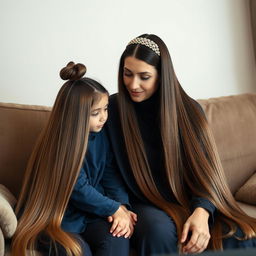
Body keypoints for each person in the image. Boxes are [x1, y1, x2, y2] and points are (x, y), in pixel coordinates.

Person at [106, 34, 256, 255]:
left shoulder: (189, 111)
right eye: (127, 74)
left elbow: (207, 172)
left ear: (161, 76)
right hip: (143, 202)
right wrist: (119, 206)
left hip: (189, 198)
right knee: (156, 231)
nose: (133, 84)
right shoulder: (112, 109)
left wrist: (202, 212)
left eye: (144, 76)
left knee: (242, 235)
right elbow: (109, 168)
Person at [11, 62, 136, 256]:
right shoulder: (60, 143)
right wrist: (112, 208)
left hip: (90, 213)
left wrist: (121, 206)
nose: (104, 117)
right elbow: (77, 188)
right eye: (96, 113)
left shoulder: (103, 135)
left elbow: (111, 174)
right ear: (75, 116)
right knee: (78, 251)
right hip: (58, 217)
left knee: (117, 237)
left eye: (106, 109)